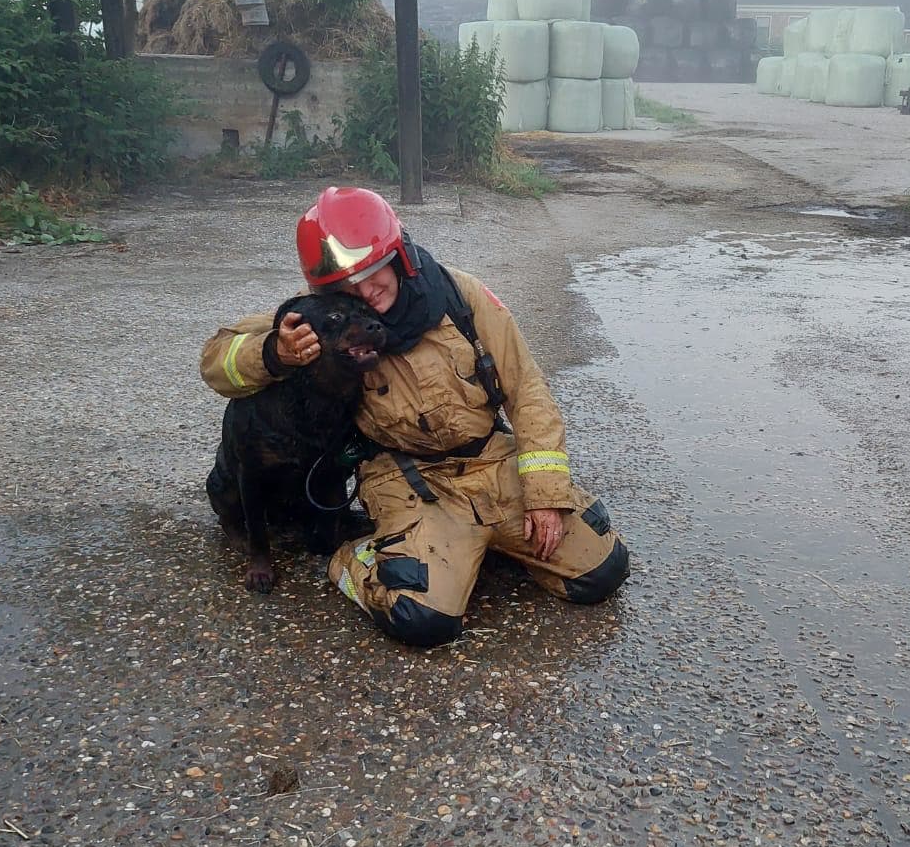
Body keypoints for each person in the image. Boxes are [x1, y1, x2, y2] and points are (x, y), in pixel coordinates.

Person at [200, 186, 629, 646]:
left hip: (488, 461)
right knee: (420, 617)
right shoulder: (327, 318)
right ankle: (355, 557)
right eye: (345, 287)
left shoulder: (461, 297)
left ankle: (480, 542)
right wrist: (273, 352)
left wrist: (546, 495)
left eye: (372, 271)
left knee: (602, 571)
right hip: (406, 478)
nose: (364, 293)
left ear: (399, 255)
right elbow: (216, 361)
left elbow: (527, 391)